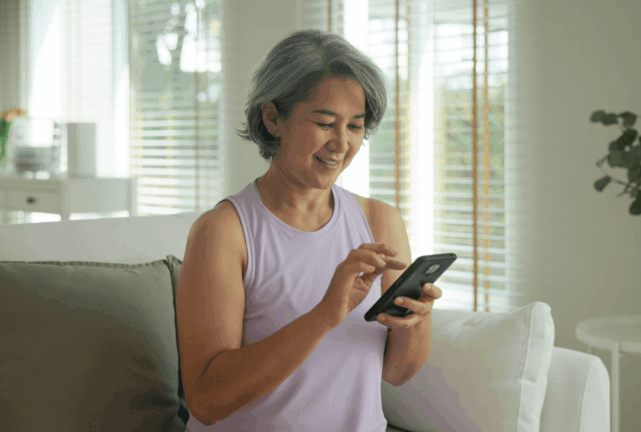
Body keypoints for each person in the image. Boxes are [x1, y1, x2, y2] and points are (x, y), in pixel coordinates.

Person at [176, 29, 443, 431]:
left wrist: (418, 320)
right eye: (324, 123)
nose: (341, 144)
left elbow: (397, 372)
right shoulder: (224, 232)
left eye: (355, 127)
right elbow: (206, 400)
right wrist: (324, 315)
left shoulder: (379, 221)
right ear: (272, 118)